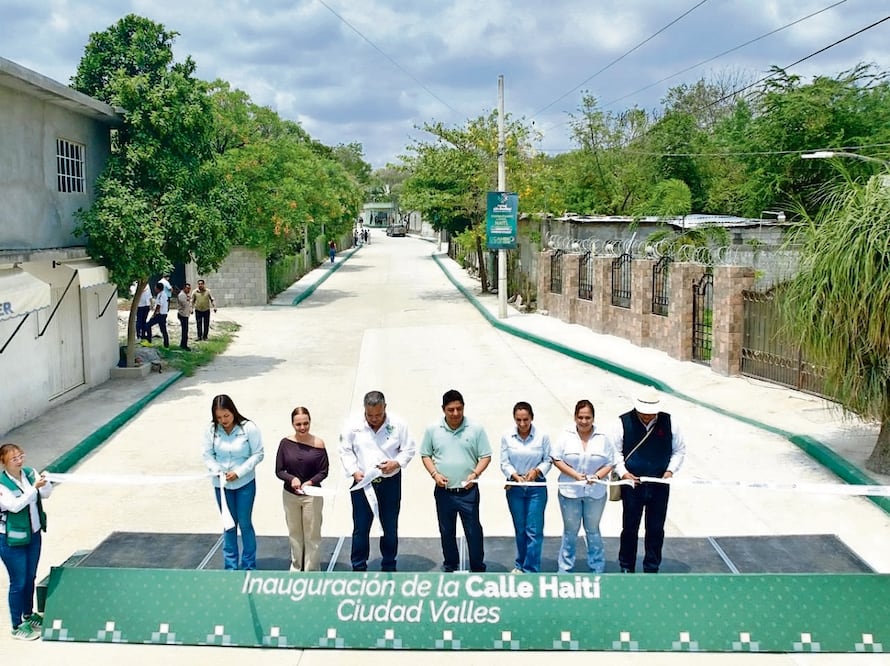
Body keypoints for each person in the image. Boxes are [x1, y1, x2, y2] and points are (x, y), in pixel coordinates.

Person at [339, 390, 415, 572]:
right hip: (362, 482)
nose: (374, 419)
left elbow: (409, 449)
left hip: (389, 482)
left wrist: (396, 463)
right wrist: (354, 471)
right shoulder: (352, 424)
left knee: (389, 525)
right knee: (361, 527)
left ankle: (389, 564)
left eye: (378, 415)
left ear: (385, 408)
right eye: (370, 415)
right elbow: (345, 449)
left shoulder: (398, 424)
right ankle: (358, 566)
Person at [614, 386, 686, 574]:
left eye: (650, 413)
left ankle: (652, 567)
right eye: (643, 413)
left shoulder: (671, 423)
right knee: (630, 527)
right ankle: (626, 566)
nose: (647, 416)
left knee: (655, 528)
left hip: (659, 484)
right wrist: (623, 473)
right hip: (632, 484)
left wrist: (670, 471)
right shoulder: (622, 422)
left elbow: (679, 450)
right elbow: (615, 452)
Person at [420, 389, 491, 573]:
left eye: (459, 409)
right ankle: (450, 565)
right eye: (451, 410)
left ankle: (477, 566)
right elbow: (425, 454)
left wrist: (475, 474)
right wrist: (435, 474)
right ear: (443, 409)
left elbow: (485, 456)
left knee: (473, 531)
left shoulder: (476, 429)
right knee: (446, 531)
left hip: (468, 492)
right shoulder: (433, 430)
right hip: (444, 492)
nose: (455, 413)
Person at [551, 399, 617, 574]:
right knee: (570, 531)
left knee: (593, 530)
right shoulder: (566, 436)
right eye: (580, 417)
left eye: (588, 417)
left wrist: (597, 476)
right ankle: (565, 568)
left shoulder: (603, 438)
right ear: (575, 417)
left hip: (595, 493)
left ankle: (597, 567)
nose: (584, 421)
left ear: (593, 418)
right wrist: (574, 475)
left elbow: (611, 462)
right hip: (569, 492)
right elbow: (556, 458)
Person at [202, 395, 264, 570]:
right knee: (228, 525)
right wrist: (217, 471)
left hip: (245, 483)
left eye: (226, 416)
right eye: (219, 418)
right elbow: (207, 455)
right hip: (222, 485)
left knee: (245, 523)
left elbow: (258, 453)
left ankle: (248, 565)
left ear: (233, 412)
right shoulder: (211, 430)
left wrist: (238, 472)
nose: (223, 421)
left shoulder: (248, 428)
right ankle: (230, 566)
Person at [0, 443, 52, 641]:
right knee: (18, 581)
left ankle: (28, 615)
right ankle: (17, 625)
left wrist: (45, 484)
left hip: (33, 535)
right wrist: (33, 489)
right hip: (11, 540)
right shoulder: (1, 484)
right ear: (4, 462)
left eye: (20, 456)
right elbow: (14, 506)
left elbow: (45, 494)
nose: (19, 461)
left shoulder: (30, 473)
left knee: (30, 576)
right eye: (14, 459)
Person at [500, 401, 551, 573]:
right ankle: (520, 565)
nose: (522, 424)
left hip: (536, 487)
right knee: (520, 529)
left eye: (526, 420)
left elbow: (548, 459)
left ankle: (531, 568)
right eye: (518, 420)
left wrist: (536, 471)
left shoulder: (542, 436)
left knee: (534, 530)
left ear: (532, 418)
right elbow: (504, 462)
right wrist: (514, 475)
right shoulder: (507, 436)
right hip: (515, 487)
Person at [275, 407, 328, 571]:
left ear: (310, 422)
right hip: (291, 496)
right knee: (295, 534)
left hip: (312, 496)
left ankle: (311, 570)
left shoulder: (318, 443)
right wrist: (292, 479)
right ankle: (297, 567)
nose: (303, 427)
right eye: (298, 424)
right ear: (293, 424)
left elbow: (323, 471)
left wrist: (310, 482)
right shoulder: (285, 443)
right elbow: (279, 470)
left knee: (312, 535)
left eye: (306, 423)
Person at [147, 281, 169, 347]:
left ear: (157, 288)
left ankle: (149, 341)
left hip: (160, 314)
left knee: (147, 325)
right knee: (163, 329)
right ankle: (166, 344)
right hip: (162, 314)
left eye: (155, 287)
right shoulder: (160, 294)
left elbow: (159, 305)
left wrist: (154, 314)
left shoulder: (162, 295)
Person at [176, 282, 193, 351]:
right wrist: (189, 300)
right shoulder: (182, 295)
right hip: (183, 315)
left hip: (185, 314)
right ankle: (184, 345)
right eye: (187, 288)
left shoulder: (185, 295)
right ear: (184, 288)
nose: (188, 290)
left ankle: (183, 344)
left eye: (189, 289)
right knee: (185, 331)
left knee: (185, 330)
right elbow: (185, 304)